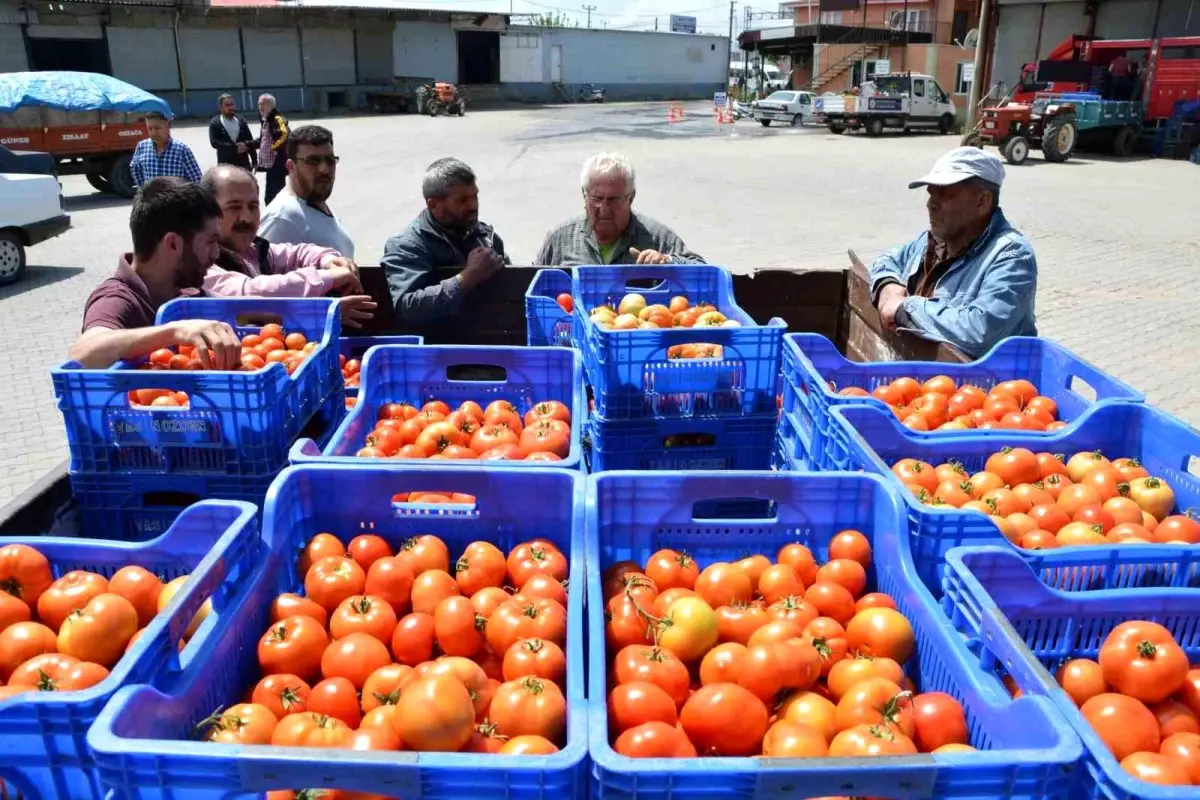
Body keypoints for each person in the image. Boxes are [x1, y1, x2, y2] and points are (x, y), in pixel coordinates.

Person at [869, 146, 1037, 358]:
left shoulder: (1011, 255)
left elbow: (982, 330)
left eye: (945, 195)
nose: (931, 204)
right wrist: (888, 287)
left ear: (982, 202)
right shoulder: (933, 240)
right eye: (931, 194)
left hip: (982, 387)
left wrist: (906, 308)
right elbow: (889, 260)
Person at [70, 177, 240, 370]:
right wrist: (174, 332)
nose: (216, 253)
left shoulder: (187, 291)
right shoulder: (116, 299)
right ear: (173, 244)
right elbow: (82, 354)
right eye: (210, 242)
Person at [382, 158, 508, 326]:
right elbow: (408, 307)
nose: (473, 206)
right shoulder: (407, 246)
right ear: (434, 205)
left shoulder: (485, 237)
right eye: (462, 200)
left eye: (474, 196)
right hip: (435, 347)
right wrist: (467, 277)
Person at [534, 153, 704, 266]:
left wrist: (668, 261)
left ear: (631, 197)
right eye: (597, 198)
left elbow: (704, 270)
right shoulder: (560, 240)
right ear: (584, 195)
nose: (605, 209)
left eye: (614, 199)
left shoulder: (658, 239)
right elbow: (527, 282)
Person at [258, 125, 354, 258]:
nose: (324, 169)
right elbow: (261, 271)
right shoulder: (283, 218)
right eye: (313, 161)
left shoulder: (314, 201)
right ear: (291, 167)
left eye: (330, 160)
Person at [129, 112, 202, 188]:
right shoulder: (142, 147)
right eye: (150, 128)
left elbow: (197, 180)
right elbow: (135, 169)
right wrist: (145, 190)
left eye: (157, 128)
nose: (154, 132)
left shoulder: (181, 150)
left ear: (168, 126)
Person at [257, 94, 290, 206]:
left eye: (263, 104)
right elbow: (263, 140)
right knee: (270, 196)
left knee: (276, 196)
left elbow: (284, 135)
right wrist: (249, 145)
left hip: (277, 164)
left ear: (271, 106)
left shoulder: (277, 119)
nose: (260, 107)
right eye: (259, 104)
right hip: (270, 165)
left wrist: (273, 148)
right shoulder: (265, 120)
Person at [209, 94, 256, 171]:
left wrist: (254, 161)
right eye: (227, 105)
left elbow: (249, 140)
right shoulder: (215, 123)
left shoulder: (241, 121)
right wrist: (234, 148)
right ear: (221, 108)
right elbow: (215, 143)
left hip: (243, 165)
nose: (231, 107)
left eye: (232, 104)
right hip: (225, 166)